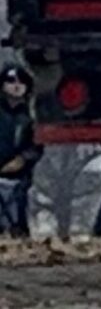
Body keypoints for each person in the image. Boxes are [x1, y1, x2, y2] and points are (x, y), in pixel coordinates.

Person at [0, 64, 41, 238]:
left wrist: (23, 159)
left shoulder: (31, 116)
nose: (16, 85)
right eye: (10, 81)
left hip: (19, 176)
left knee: (18, 217)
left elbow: (37, 145)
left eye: (21, 81)